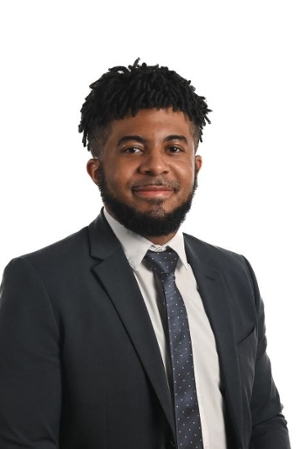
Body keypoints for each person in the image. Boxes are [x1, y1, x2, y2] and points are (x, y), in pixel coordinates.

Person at [0, 59, 290, 449]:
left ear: (195, 165)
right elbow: (24, 441)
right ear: (96, 170)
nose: (156, 166)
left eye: (174, 148)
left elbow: (264, 419)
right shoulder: (41, 283)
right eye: (133, 148)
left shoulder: (235, 274)